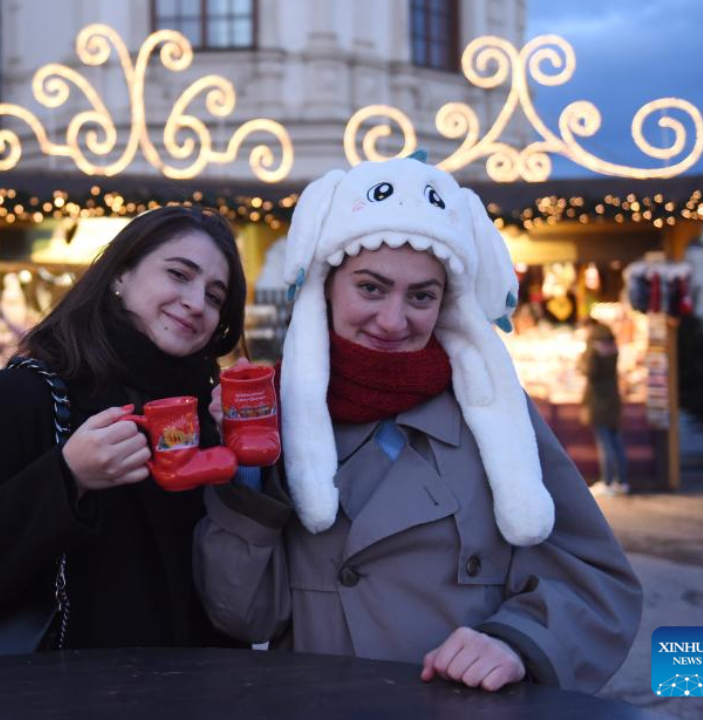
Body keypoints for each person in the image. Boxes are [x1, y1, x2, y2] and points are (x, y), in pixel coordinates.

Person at [195, 159, 642, 694]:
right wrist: (245, 467)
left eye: (421, 296)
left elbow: (597, 583)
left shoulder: (496, 417)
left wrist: (516, 641)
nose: (393, 320)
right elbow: (245, 616)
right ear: (327, 285)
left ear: (445, 302)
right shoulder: (278, 419)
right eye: (371, 287)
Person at [0, 205, 248, 649]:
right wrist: (67, 478)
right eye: (179, 274)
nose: (196, 303)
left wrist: (245, 462)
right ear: (121, 273)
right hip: (61, 684)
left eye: (215, 296)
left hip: (193, 683)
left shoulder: (205, 417)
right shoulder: (18, 398)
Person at [582, 321, 629, 496]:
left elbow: (590, 372)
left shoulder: (594, 352)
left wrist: (588, 353)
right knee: (616, 443)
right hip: (613, 399)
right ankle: (621, 481)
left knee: (605, 444)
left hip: (598, 401)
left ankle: (607, 482)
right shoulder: (613, 350)